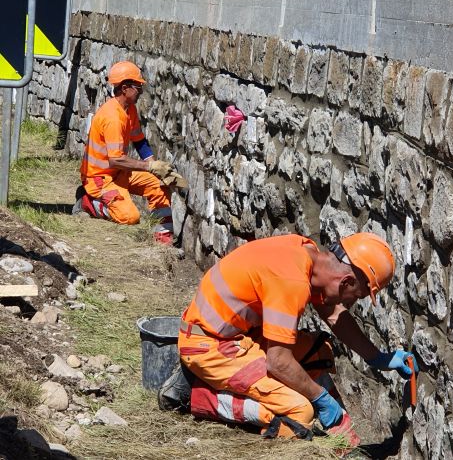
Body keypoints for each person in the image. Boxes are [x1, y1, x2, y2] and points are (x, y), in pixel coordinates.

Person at [159, 232, 418, 445]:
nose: (350, 304)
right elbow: (279, 362)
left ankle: (335, 429)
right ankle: (193, 392)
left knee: (318, 353)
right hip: (210, 346)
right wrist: (320, 398)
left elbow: (333, 314)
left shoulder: (308, 255)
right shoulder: (290, 280)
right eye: (357, 297)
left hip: (236, 336)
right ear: (346, 282)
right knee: (299, 412)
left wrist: (377, 357)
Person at [72, 61, 185, 244]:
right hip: (99, 179)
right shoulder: (112, 118)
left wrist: (156, 168)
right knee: (129, 217)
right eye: (138, 86)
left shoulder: (129, 110)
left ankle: (163, 240)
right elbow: (116, 160)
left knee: (159, 185)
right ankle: (87, 202)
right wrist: (149, 166)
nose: (141, 90)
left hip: (119, 173)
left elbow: (139, 142)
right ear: (125, 88)